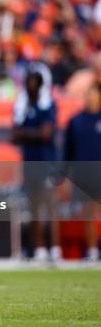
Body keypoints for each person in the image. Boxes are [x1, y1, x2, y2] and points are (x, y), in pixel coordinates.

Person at [12, 64, 61, 262]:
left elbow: (46, 133)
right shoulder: (24, 107)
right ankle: (40, 247)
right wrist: (32, 134)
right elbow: (15, 135)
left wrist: (26, 134)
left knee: (50, 205)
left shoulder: (47, 105)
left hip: (46, 160)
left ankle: (55, 248)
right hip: (30, 161)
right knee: (34, 206)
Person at [63, 83, 100, 261]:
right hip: (85, 174)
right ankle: (92, 251)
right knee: (88, 213)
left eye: (93, 94)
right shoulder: (75, 121)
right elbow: (68, 151)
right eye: (87, 94)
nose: (90, 98)